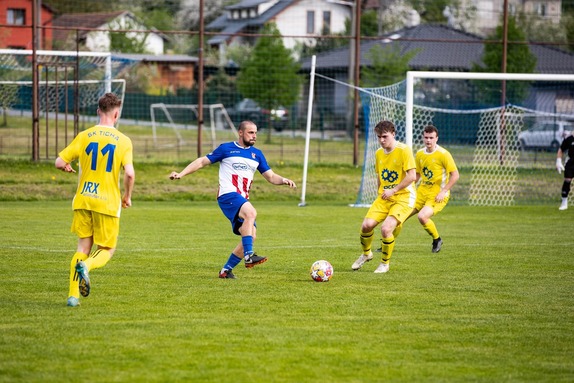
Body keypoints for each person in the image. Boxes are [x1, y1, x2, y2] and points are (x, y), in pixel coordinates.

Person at [169, 120, 297, 279]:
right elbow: (202, 161)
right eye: (251, 132)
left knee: (251, 234)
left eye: (256, 133)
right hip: (227, 194)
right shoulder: (226, 148)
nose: (254, 136)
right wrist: (181, 173)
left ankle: (226, 270)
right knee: (251, 213)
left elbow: (270, 176)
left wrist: (283, 179)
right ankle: (249, 256)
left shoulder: (257, 154)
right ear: (241, 132)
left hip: (241, 198)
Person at [55, 92, 135, 307]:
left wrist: (67, 166)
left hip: (83, 199)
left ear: (98, 111)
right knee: (107, 249)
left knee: (82, 248)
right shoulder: (124, 141)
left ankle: (73, 297)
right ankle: (88, 267)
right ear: (116, 114)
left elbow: (58, 162)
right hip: (107, 202)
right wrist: (127, 196)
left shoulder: (84, 135)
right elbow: (129, 174)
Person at [352, 120, 416, 273]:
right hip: (385, 196)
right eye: (379, 137)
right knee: (366, 226)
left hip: (404, 197)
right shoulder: (378, 153)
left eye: (385, 136)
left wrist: (393, 190)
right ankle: (366, 254)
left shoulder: (404, 150)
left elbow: (412, 176)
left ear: (393, 134)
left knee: (386, 229)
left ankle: (384, 264)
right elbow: (380, 176)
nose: (381, 140)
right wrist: (379, 193)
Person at [410, 125, 459, 252]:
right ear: (423, 137)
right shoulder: (420, 153)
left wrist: (443, 191)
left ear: (436, 138)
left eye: (431, 137)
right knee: (400, 216)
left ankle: (437, 239)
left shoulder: (444, 154)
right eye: (426, 137)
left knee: (422, 216)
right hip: (421, 191)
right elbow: (418, 174)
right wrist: (409, 187)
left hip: (437, 194)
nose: (428, 140)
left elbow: (455, 175)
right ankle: (385, 244)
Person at [556, 130, 574, 210]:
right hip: (571, 162)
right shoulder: (569, 138)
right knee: (567, 181)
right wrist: (558, 161)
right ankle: (564, 203)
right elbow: (561, 150)